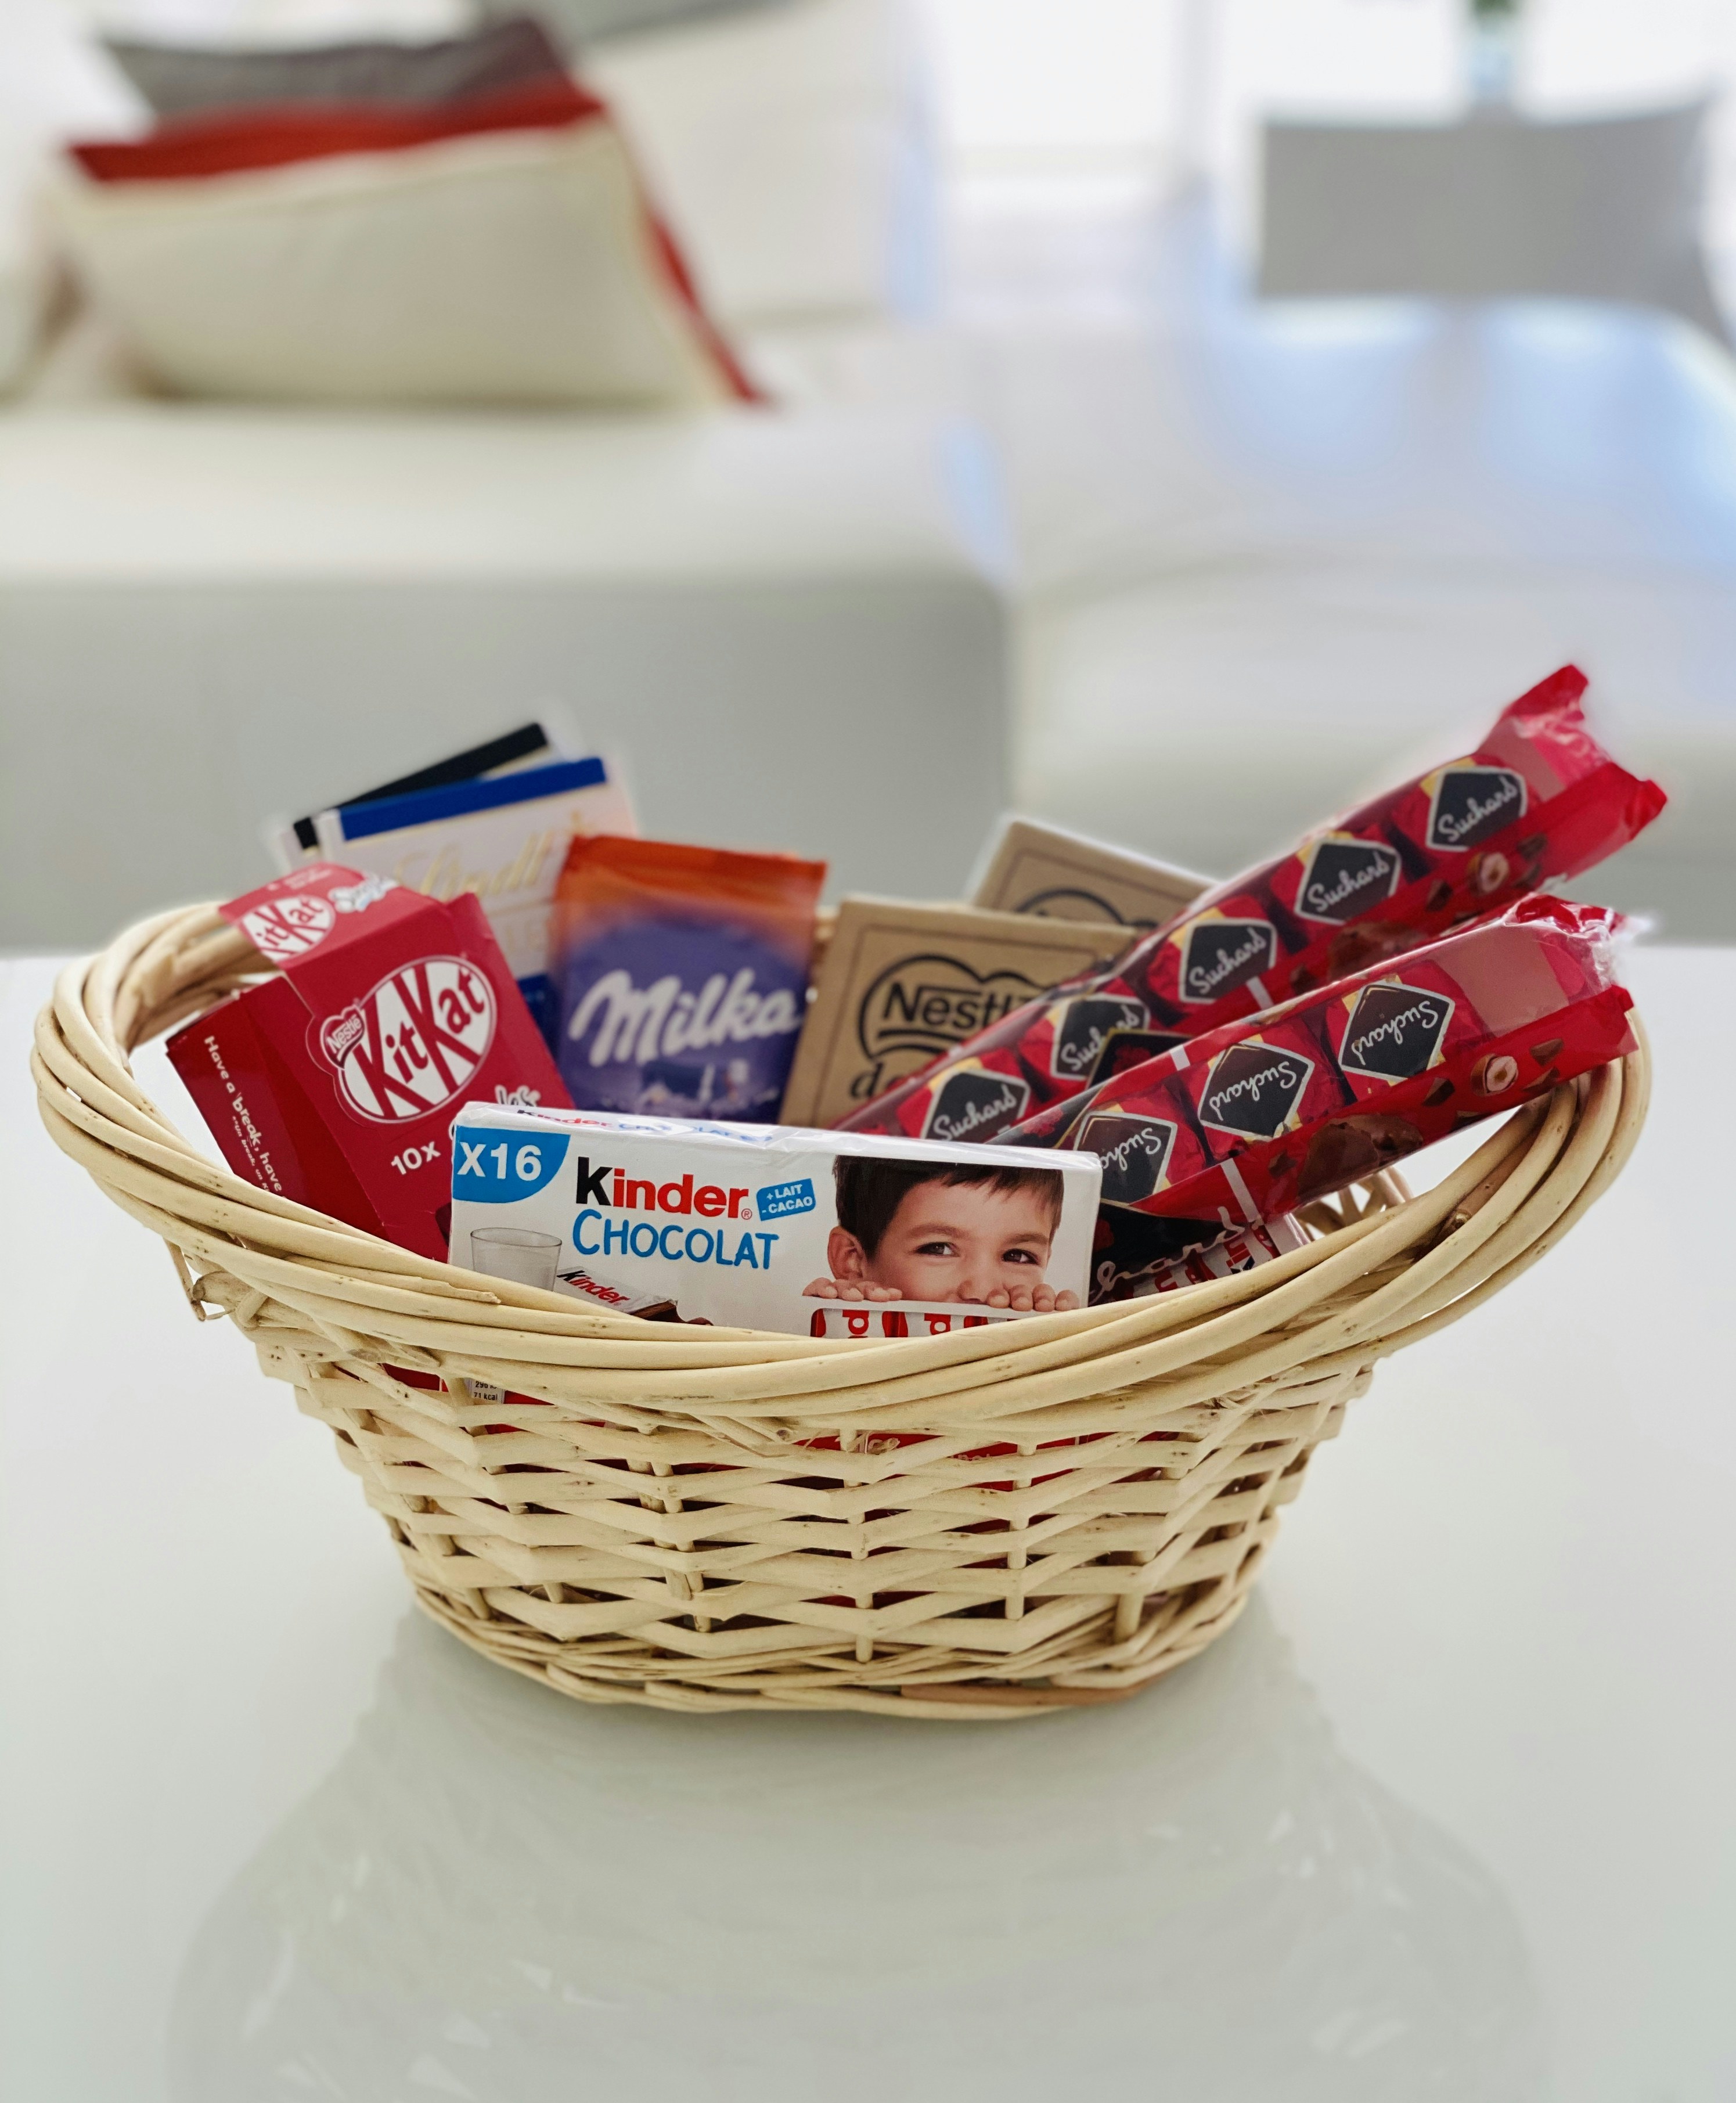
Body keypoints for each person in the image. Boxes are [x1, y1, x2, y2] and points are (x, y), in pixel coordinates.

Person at [802, 1155, 1079, 1311]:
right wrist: (819, 1329)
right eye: (939, 1249)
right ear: (852, 1259)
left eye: (1017, 1256)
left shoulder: (1045, 1335)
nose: (982, 1291)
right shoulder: (830, 1326)